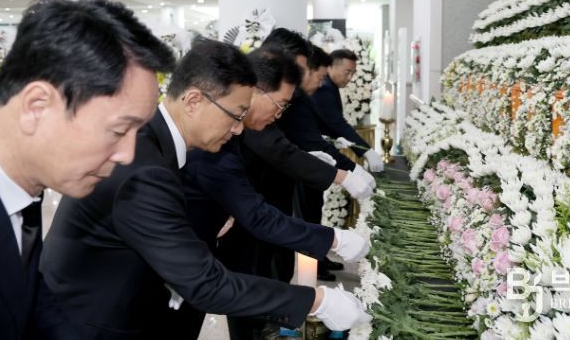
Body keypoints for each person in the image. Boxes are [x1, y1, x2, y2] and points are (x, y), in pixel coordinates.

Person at [40, 39, 370, 339]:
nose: (238, 129)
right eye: (235, 115)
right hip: (92, 321)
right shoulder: (144, 167)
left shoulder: (152, 138)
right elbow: (206, 283)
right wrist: (317, 300)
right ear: (194, 100)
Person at [0, 0, 176, 340]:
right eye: (119, 131)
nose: (127, 155)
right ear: (36, 106)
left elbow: (30, 298)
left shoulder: (24, 186)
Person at [169, 45, 370, 339]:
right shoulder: (211, 146)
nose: (278, 115)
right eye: (280, 104)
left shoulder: (223, 134)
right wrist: (331, 247)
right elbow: (257, 214)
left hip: (200, 260)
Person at [278, 45, 373, 281]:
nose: (350, 78)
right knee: (307, 215)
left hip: (312, 161)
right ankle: (314, 265)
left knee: (313, 211)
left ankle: (318, 260)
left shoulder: (321, 89)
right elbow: (333, 125)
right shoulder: (315, 92)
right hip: (304, 163)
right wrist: (356, 164)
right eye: (347, 72)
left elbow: (323, 127)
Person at [311, 49, 384, 172]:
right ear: (331, 67)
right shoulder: (325, 87)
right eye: (347, 72)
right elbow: (338, 124)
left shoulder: (330, 85)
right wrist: (366, 151)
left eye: (353, 73)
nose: (350, 78)